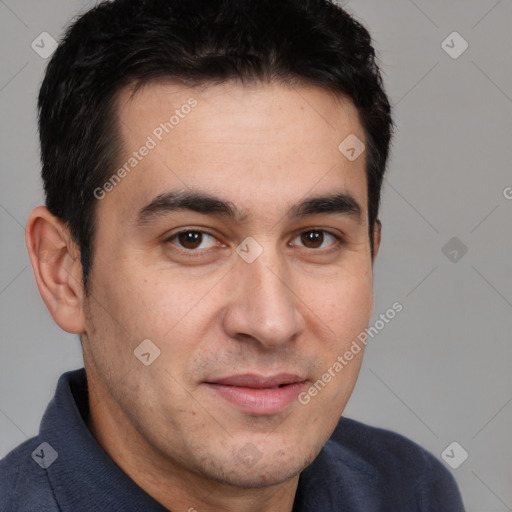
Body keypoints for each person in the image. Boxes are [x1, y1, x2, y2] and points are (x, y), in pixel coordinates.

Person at [0, 0, 466, 510]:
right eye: (192, 239)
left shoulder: (410, 491)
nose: (270, 321)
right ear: (64, 273)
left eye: (315, 238)